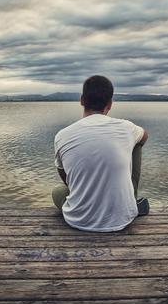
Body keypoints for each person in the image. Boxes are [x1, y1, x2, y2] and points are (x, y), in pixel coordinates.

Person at [52, 75, 149, 232]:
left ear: (82, 100)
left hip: (78, 220)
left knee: (57, 191)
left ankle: (86, 199)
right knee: (137, 142)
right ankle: (132, 199)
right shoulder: (126, 128)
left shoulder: (61, 135)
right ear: (110, 104)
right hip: (123, 218)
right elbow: (145, 136)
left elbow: (65, 176)